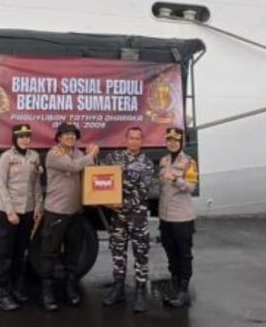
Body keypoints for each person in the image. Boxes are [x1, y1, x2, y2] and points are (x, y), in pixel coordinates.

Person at [40, 122, 99, 312]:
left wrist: (91, 157)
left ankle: (70, 289)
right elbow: (74, 167)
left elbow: (90, 170)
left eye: (73, 134)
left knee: (73, 253)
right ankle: (47, 293)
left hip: (75, 212)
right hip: (56, 212)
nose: (70, 137)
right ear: (58, 137)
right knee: (50, 253)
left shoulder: (79, 153)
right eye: (66, 134)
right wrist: (91, 155)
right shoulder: (53, 154)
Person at [102, 126, 156, 313]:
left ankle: (140, 291)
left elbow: (144, 191)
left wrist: (119, 203)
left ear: (141, 141)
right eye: (131, 138)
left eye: (137, 138)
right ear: (126, 139)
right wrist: (105, 199)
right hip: (117, 217)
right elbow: (100, 175)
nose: (134, 141)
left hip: (137, 215)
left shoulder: (147, 163)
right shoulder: (114, 158)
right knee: (118, 252)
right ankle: (118, 288)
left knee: (141, 253)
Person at [0, 124, 43, 312]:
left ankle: (15, 288)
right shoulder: (6, 157)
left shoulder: (34, 157)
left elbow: (36, 184)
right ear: (15, 138)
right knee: (6, 254)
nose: (25, 139)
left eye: (27, 136)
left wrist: (38, 207)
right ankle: (3, 293)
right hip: (9, 213)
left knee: (20, 254)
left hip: (27, 211)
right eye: (21, 136)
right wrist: (10, 211)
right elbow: (1, 185)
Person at [158, 127, 198, 308]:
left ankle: (184, 291)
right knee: (171, 253)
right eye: (169, 140)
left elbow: (191, 187)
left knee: (184, 255)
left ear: (181, 142)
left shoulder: (189, 161)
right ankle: (175, 287)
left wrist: (175, 179)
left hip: (182, 217)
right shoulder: (164, 160)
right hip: (165, 216)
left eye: (176, 140)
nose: (172, 143)